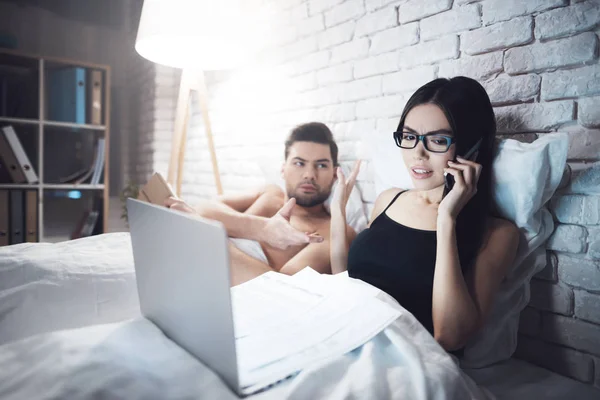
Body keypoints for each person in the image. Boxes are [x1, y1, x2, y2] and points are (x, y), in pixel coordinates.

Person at [332, 77, 519, 353]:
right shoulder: (388, 199)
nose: (418, 153)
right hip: (343, 333)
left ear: (471, 149)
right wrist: (338, 212)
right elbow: (345, 282)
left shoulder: (497, 234)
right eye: (409, 137)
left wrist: (446, 219)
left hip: (403, 358)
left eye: (438, 140)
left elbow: (450, 337)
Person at [166, 122, 357, 286]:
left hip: (222, 286)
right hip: (183, 266)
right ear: (283, 170)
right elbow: (204, 207)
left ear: (334, 174)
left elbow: (280, 289)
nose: (309, 174)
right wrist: (262, 228)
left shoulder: (332, 232)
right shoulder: (270, 194)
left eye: (322, 165)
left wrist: (210, 238)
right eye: (299, 163)